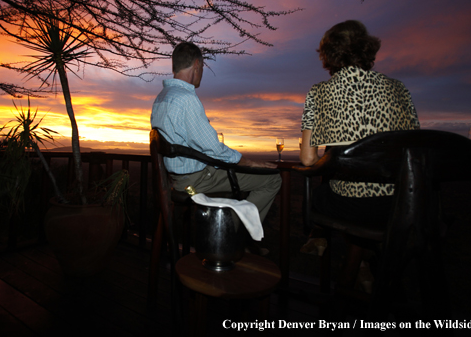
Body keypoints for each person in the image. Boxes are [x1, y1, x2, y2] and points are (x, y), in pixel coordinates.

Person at [299, 20, 420, 257]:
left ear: (328, 54)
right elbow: (414, 148)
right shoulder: (399, 88)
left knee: (323, 194)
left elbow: (307, 160)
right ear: (367, 48)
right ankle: (365, 267)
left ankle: (320, 237)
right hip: (402, 204)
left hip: (352, 207)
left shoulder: (320, 92)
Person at [151, 42, 281, 251]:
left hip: (175, 179)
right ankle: (232, 236)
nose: (201, 73)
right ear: (196, 65)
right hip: (195, 181)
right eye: (202, 68)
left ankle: (230, 231)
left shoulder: (161, 98)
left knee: (234, 179)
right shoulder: (186, 99)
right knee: (272, 179)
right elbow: (214, 149)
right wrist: (248, 162)